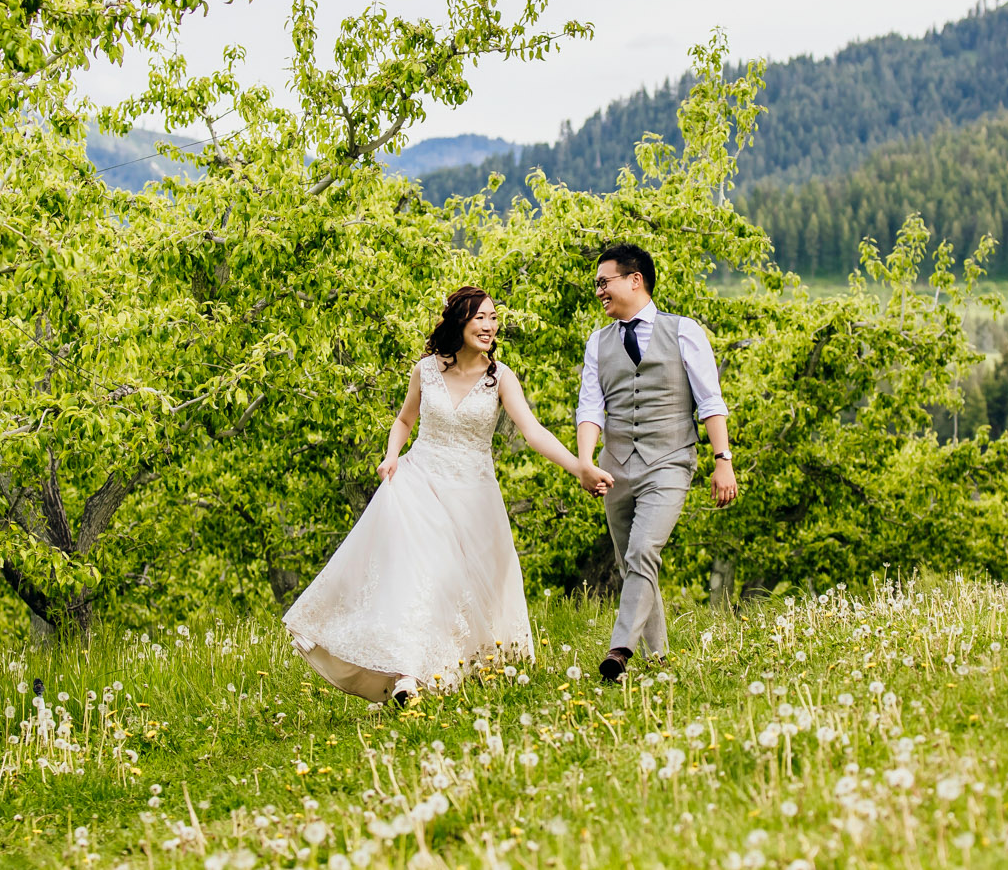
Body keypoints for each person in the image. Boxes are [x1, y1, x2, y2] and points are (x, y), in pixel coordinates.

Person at [283, 286, 614, 704]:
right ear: (459, 322)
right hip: (419, 481)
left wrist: (580, 467)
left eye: (494, 318)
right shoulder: (426, 370)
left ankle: (435, 670)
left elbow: (533, 433)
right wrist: (390, 457)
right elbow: (404, 420)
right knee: (421, 577)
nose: (490, 326)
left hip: (473, 497)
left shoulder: (501, 377)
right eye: (480, 318)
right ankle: (407, 677)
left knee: (451, 587)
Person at [577, 241, 737, 682]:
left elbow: (710, 400)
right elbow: (591, 408)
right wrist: (586, 462)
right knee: (631, 561)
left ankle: (619, 649)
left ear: (635, 280)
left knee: (645, 549)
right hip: (616, 464)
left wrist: (722, 459)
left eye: (603, 282)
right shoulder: (598, 341)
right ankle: (659, 656)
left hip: (670, 459)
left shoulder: (684, 331)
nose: (599, 292)